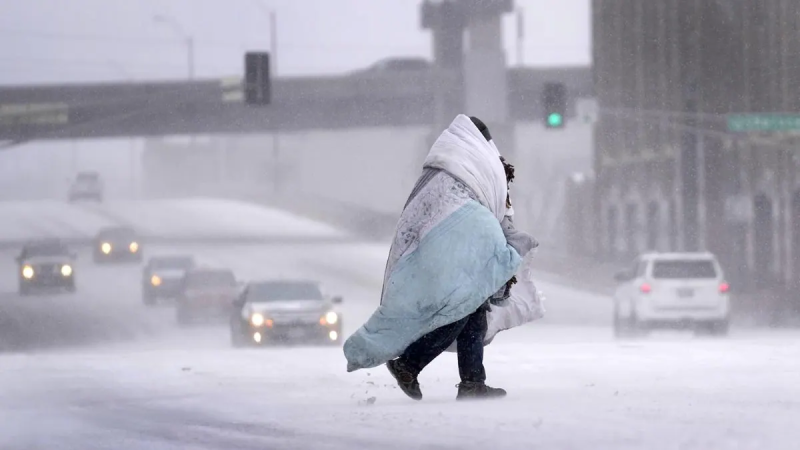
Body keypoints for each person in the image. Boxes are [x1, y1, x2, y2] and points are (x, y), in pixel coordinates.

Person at [343, 115, 537, 401]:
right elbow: (483, 209)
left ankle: (472, 382)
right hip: (452, 249)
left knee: (472, 311)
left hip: (442, 248)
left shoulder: (445, 167)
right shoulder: (472, 165)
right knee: (460, 309)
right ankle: (409, 364)